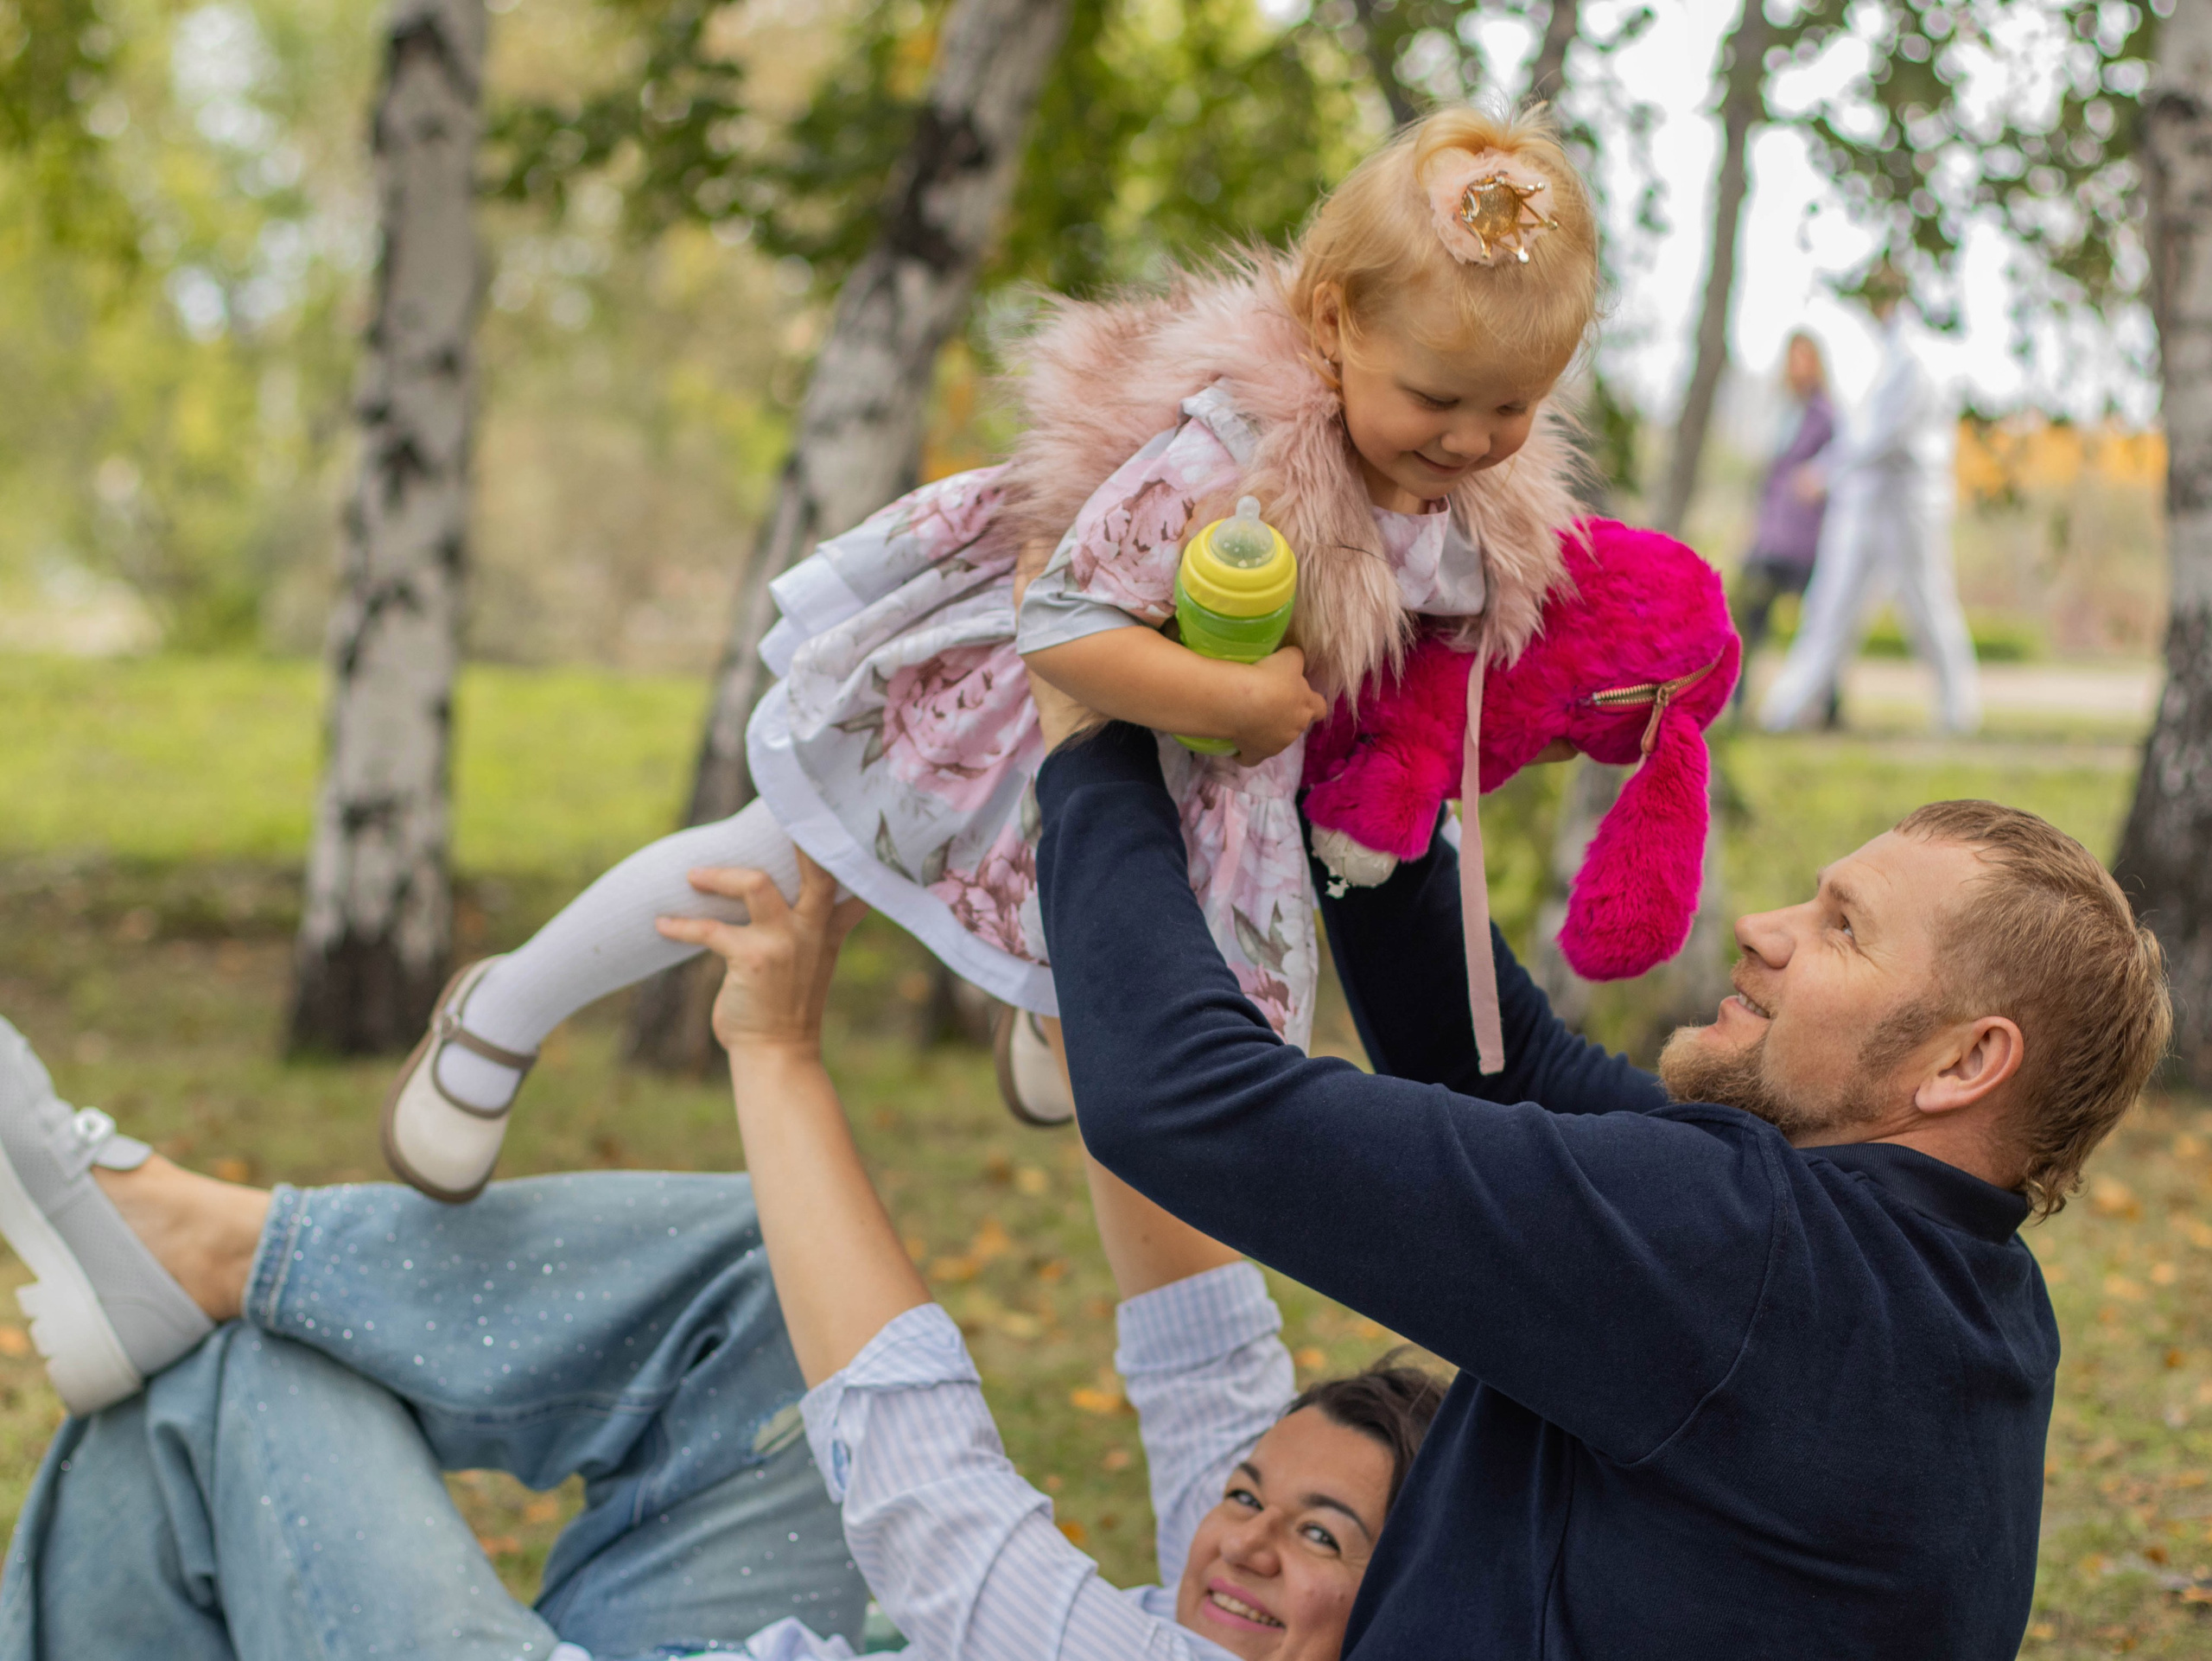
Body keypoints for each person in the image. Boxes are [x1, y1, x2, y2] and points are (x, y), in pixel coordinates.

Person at [378, 101, 1611, 1204]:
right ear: (1333, 323)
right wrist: (1231, 695)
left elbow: (1444, 649)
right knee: (785, 859)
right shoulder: (1234, 452)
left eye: (1510, 408)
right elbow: (1062, 623)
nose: (1467, 439)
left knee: (1142, 935)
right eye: (1437, 398)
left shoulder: (1467, 503)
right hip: (1021, 717)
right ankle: (504, 1010)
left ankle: (1058, 1007)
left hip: (1202, 775)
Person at [0, 856, 1443, 1660]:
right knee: (764, 1291)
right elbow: (1205, 1356)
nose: (1244, 1537)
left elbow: (932, 1483)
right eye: (1255, 1495)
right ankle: (220, 1252)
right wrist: (1079, 951)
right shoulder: (1250, 1616)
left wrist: (780, 1050)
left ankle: (200, 1254)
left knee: (230, 1393)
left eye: (1322, 1538)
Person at [1028, 688, 2171, 1657]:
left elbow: (1182, 1098)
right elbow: (1502, 1067)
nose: (1764, 929)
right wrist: (1379, 754)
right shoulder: (1948, 1283)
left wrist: (1097, 730)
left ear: (1964, 1061)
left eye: (1841, 929)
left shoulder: (1747, 1257)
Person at [1758, 270, 1981, 734]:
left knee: (1927, 605)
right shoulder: (1882, 357)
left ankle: (1959, 712)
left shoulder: (1913, 360)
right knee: (1830, 606)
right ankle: (1788, 708)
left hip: (1906, 505)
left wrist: (1823, 472)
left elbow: (1882, 436)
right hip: (1864, 503)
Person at [1732, 330, 1836, 720]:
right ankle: (1737, 704)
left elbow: (1837, 469)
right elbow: (1765, 478)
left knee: (1822, 620)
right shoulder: (1778, 413)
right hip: (1770, 536)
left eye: (1806, 357)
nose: (1799, 366)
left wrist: (1819, 479)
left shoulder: (1826, 416)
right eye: (1794, 357)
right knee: (1747, 618)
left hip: (1807, 539)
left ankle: (1828, 707)